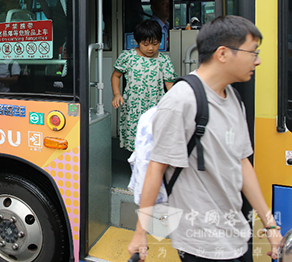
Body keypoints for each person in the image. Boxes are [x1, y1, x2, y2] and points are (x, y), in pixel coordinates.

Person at [128, 15, 283, 262]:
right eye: (253, 52)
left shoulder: (234, 98)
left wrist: (270, 225)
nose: (258, 60)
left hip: (236, 235)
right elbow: (156, 169)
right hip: (200, 242)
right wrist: (140, 233)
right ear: (223, 53)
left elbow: (242, 163)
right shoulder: (181, 101)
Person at [111, 20, 177, 151]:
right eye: (145, 44)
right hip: (133, 106)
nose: (151, 48)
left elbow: (169, 84)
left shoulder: (164, 60)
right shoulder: (128, 57)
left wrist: (175, 102)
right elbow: (116, 76)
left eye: (155, 44)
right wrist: (117, 94)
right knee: (136, 140)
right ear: (137, 41)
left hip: (155, 105)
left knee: (154, 139)